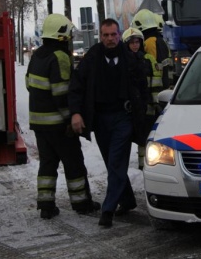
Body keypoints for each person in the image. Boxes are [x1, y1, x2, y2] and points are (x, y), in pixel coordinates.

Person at [68, 19, 149, 228]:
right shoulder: (92, 58)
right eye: (106, 35)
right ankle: (127, 200)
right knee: (112, 162)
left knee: (116, 162)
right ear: (100, 36)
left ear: (119, 35)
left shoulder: (130, 58)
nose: (110, 39)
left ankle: (108, 210)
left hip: (123, 118)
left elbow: (142, 88)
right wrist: (76, 113)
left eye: (113, 35)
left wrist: (142, 112)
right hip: (100, 120)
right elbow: (77, 86)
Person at [25, 13, 100, 219]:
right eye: (68, 34)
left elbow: (28, 83)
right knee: (73, 162)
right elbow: (62, 93)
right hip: (58, 124)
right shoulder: (60, 57)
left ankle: (46, 205)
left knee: (47, 164)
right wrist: (70, 119)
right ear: (61, 35)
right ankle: (82, 202)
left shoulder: (37, 56)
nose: (70, 38)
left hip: (39, 123)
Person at [123, 27, 154, 170]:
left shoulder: (145, 59)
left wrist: (149, 101)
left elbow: (150, 82)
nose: (135, 45)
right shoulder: (123, 61)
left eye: (137, 42)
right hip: (128, 104)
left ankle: (142, 163)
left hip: (142, 102)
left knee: (143, 134)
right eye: (132, 43)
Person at [132, 9, 172, 90]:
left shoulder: (149, 42)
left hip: (156, 86)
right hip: (166, 82)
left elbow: (151, 66)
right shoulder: (161, 40)